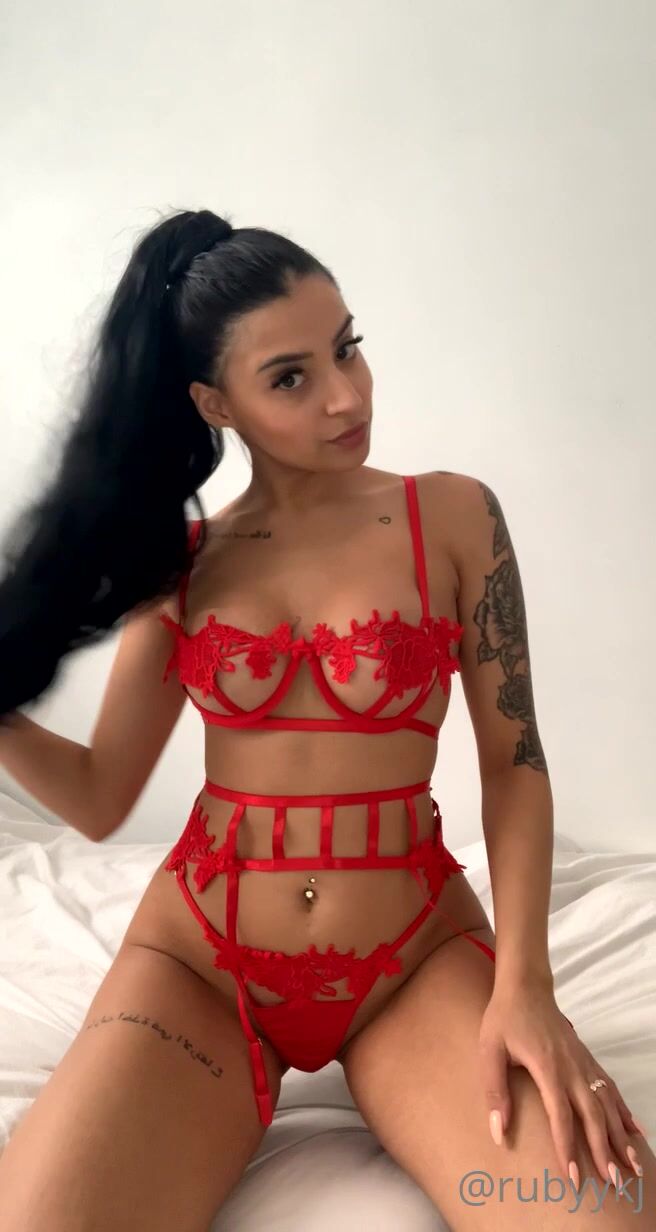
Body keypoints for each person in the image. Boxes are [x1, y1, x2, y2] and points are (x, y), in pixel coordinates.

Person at [0, 207, 652, 1229]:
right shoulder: (183, 564)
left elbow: (514, 761)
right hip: (202, 961)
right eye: (290, 377)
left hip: (410, 956)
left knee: (601, 1217)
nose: (346, 394)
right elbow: (97, 793)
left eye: (347, 346)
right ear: (215, 402)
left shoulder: (452, 516)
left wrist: (525, 986)